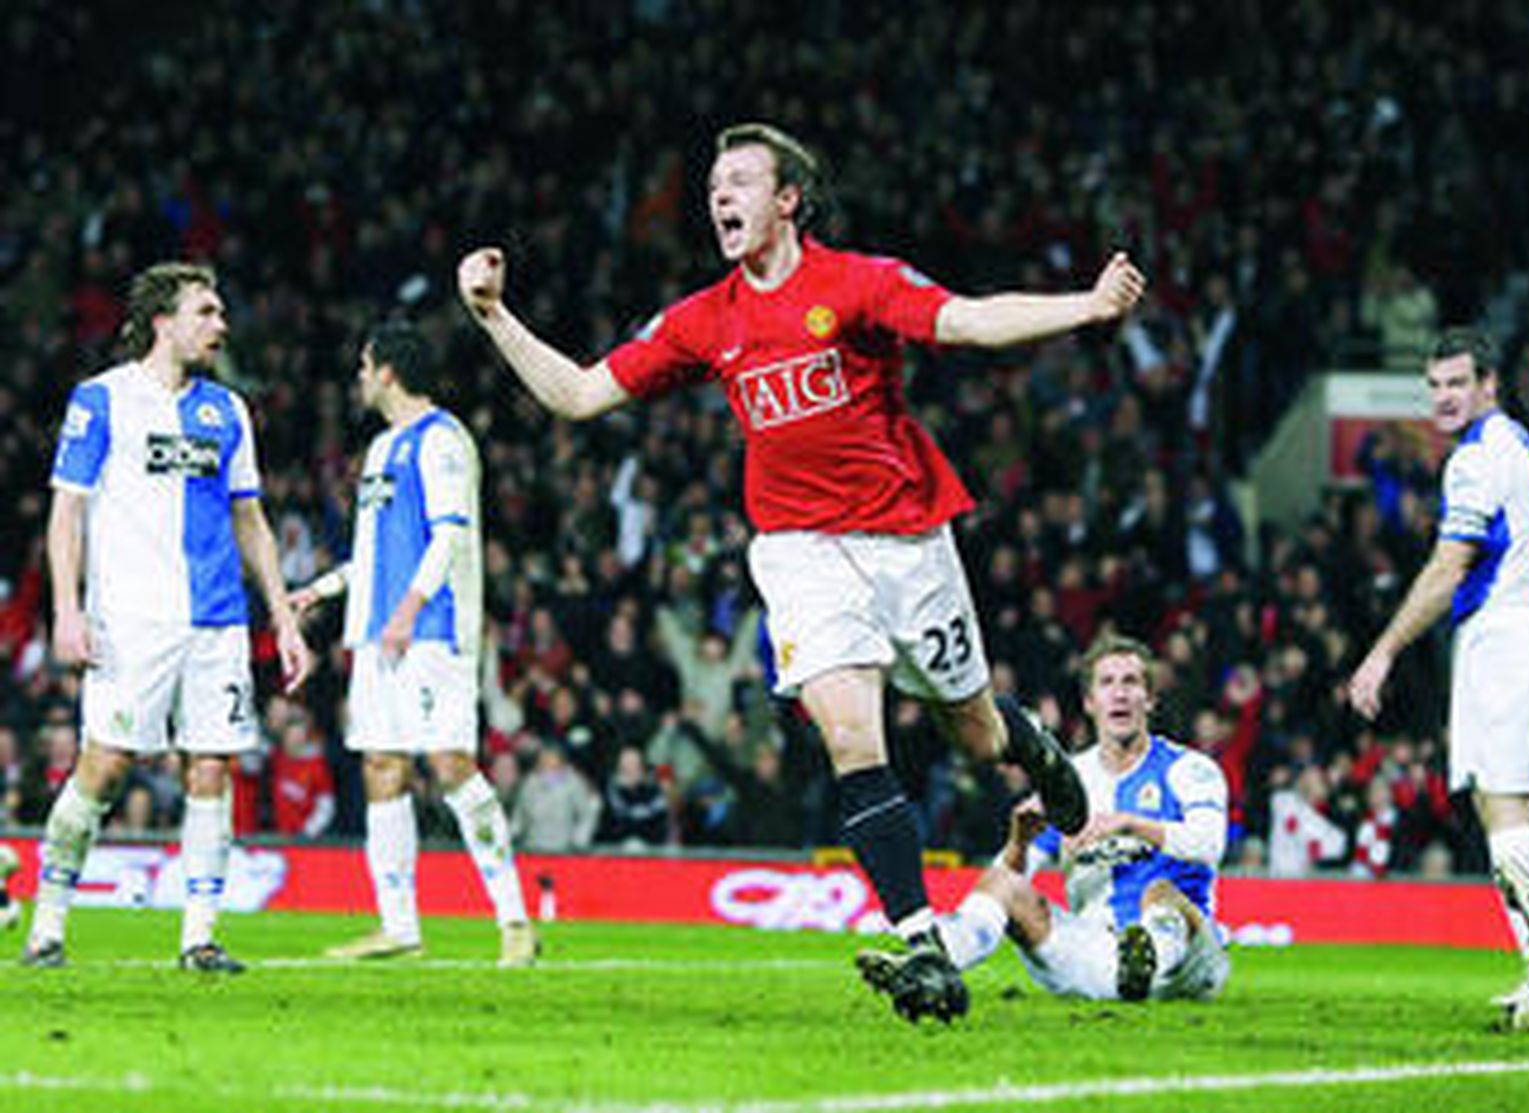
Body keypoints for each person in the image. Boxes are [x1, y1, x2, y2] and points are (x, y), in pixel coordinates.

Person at [457, 121, 1142, 1022]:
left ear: (788, 200)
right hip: (801, 552)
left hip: (908, 544)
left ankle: (1040, 749)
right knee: (853, 737)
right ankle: (922, 944)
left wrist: (1084, 306)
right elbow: (581, 394)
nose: (720, 198)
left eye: (739, 181)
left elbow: (967, 320)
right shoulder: (707, 318)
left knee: (975, 735)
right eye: (712, 187)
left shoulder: (856, 284)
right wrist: (494, 316)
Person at [24, 261, 311, 971]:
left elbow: (252, 518)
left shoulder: (228, 410)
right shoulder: (101, 400)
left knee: (211, 766)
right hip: (131, 619)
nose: (220, 324)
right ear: (164, 321)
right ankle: (47, 925)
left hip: (216, 621)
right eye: (206, 312)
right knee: (105, 764)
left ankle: (199, 936)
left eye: (219, 312)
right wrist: (66, 607)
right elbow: (67, 510)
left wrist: (284, 617)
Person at [1348, 327, 1529, 1020]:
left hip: (1510, 640)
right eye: (1434, 386)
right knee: (1520, 806)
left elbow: (1448, 565)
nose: (1444, 398)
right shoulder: (1523, 445)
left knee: (1503, 807)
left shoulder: (1478, 457)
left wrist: (1383, 651)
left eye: (1458, 383)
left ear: (1489, 384)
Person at [290, 321, 536, 967]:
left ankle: (514, 918)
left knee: (449, 763)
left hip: (431, 629)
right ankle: (398, 926)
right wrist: (321, 589)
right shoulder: (379, 451)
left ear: (389, 372)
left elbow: (449, 534)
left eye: (365, 366)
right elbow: (373, 552)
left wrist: (407, 610)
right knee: (382, 766)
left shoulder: (445, 440)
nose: (360, 377)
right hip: (377, 634)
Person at [861, 634, 1229, 1008]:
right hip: (1097, 951)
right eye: (1107, 683)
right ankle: (934, 963)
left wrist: (1129, 824)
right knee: (1004, 884)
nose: (1120, 694)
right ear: (1089, 702)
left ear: (1150, 700)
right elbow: (1015, 873)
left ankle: (1147, 960)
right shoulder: (1071, 781)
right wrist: (1018, 842)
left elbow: (1209, 844)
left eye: (1131, 682)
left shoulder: (1189, 770)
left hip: (1189, 962)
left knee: (1161, 892)